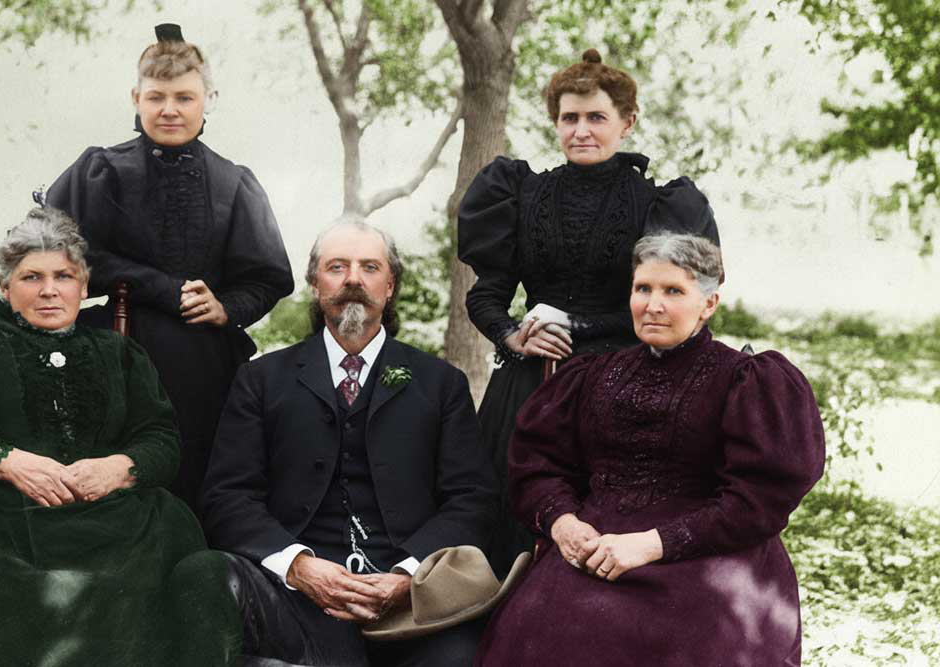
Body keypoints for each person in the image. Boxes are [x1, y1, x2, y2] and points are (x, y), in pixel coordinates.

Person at [0, 209, 238, 667]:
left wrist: (120, 468)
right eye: (31, 277)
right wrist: (5, 461)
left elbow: (160, 435)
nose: (49, 290)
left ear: (84, 286)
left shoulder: (117, 352)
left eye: (64, 276)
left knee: (164, 565)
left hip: (106, 516)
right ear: (6, 287)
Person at [475, 232, 826, 666]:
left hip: (707, 558)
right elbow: (539, 466)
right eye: (643, 289)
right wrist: (564, 524)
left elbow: (758, 501)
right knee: (543, 630)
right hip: (594, 550)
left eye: (673, 291)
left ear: (709, 304)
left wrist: (652, 544)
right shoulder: (592, 375)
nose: (653, 305)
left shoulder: (746, 381)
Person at [457, 48, 720, 575]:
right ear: (555, 122)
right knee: (507, 525)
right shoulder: (520, 192)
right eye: (569, 118)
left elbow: (665, 310)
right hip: (530, 385)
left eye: (596, 117)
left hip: (622, 386)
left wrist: (576, 326)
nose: (582, 130)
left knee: (604, 531)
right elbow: (486, 294)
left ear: (627, 122)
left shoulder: (660, 205)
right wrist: (513, 336)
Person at [201, 222, 497, 666]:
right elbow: (227, 495)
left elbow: (472, 499)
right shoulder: (261, 381)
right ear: (315, 283)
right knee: (206, 577)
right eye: (337, 267)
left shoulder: (441, 385)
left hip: (411, 609)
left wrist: (407, 575)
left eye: (370, 267)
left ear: (390, 285)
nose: (353, 279)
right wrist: (298, 567)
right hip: (294, 600)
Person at [46, 24, 294, 516]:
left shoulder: (235, 183)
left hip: (201, 366)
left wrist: (226, 309)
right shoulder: (100, 170)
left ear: (209, 99)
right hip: (111, 348)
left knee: (195, 477)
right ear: (136, 97)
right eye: (156, 97)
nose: (169, 110)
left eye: (184, 97)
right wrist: (159, 286)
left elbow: (269, 277)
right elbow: (58, 258)